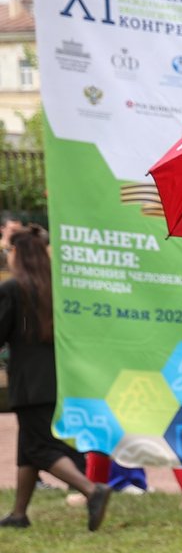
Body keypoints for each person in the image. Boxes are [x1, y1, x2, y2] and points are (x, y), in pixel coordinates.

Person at [0, 225, 110, 530]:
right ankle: (19, 514)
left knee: (39, 447)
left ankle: (91, 490)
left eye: (8, 251)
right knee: (28, 447)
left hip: (29, 384)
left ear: (19, 254)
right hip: (57, 379)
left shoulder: (13, 289)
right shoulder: (56, 289)